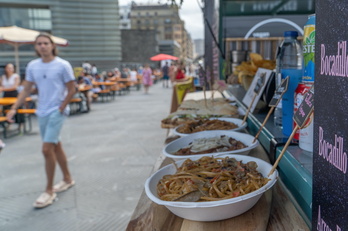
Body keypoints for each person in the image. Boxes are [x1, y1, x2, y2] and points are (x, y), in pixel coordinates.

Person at [6, 33, 76, 208]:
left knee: (46, 149)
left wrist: (62, 107)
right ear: (36, 47)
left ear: (52, 46)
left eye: (46, 43)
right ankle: (67, 178)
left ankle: (48, 191)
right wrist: (14, 108)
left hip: (56, 111)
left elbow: (72, 88)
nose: (43, 46)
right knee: (55, 145)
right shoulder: (32, 66)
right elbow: (26, 89)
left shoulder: (62, 65)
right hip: (41, 111)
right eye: (39, 44)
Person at [1, 63, 25, 128]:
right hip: (6, 94)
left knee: (16, 107)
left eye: (11, 68)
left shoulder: (16, 76)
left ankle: (20, 124)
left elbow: (15, 87)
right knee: (6, 108)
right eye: (8, 68)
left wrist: (4, 89)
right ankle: (7, 123)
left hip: (14, 93)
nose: (10, 69)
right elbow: (2, 86)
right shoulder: (3, 77)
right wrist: (3, 89)